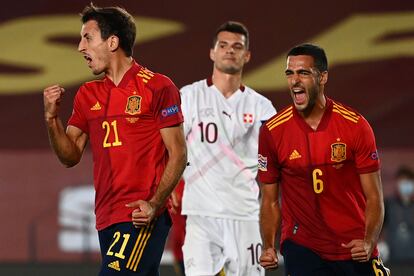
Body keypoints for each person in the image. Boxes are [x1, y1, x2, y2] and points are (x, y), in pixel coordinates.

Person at [43, 3, 187, 275]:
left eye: (87, 37)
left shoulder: (157, 87)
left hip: (140, 214)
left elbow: (179, 154)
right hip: (106, 216)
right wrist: (52, 119)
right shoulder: (87, 94)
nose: (80, 47)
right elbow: (69, 156)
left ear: (112, 42)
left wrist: (154, 204)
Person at [258, 43, 390, 275]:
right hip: (302, 246)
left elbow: (374, 197)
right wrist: (269, 245)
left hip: (352, 247)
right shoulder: (273, 131)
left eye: (304, 73)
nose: (295, 80)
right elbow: (269, 200)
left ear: (323, 77)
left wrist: (369, 241)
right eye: (290, 73)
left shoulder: (355, 126)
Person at [180, 21, 276, 276]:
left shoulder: (262, 108)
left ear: (247, 55)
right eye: (223, 45)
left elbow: (274, 164)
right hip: (200, 214)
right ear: (212, 52)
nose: (229, 51)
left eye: (237, 46)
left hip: (245, 214)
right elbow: (171, 150)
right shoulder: (188, 97)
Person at [384, 166, 414, 263]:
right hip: (393, 258)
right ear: (397, 184)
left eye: (408, 182)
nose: (405, 185)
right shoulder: (388, 204)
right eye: (402, 182)